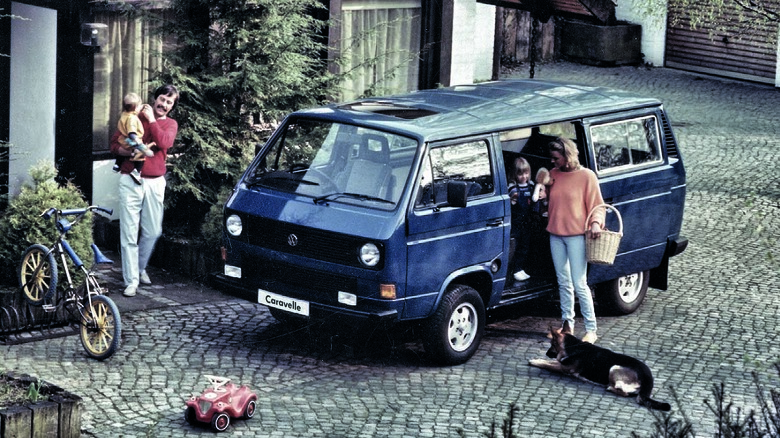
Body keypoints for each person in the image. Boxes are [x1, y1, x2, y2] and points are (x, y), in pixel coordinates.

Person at [110, 84, 179, 297]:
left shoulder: (170, 124)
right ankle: (131, 280)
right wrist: (127, 151)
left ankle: (139, 269)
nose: (164, 104)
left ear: (172, 106)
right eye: (162, 99)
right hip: (130, 179)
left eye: (169, 102)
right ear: (155, 98)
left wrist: (151, 120)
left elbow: (164, 142)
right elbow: (114, 144)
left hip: (155, 182)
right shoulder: (134, 116)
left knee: (153, 231)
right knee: (129, 232)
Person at [546, 137, 605, 344]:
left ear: (567, 156)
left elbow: (598, 205)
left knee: (580, 283)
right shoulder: (553, 175)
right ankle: (567, 324)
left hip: (576, 236)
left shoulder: (586, 176)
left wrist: (596, 223)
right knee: (563, 281)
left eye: (556, 158)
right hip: (555, 234)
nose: (553, 161)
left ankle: (591, 329)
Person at [113, 92, 155, 184]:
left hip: (123, 139)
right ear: (136, 108)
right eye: (140, 105)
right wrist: (137, 142)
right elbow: (131, 132)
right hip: (131, 140)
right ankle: (137, 171)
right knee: (142, 154)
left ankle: (117, 164)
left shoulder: (124, 114)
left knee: (121, 154)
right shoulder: (132, 118)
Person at [508, 157, 534, 282]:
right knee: (515, 246)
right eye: (520, 174)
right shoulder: (513, 188)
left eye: (526, 173)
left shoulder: (532, 186)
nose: (524, 176)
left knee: (525, 246)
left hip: (527, 221)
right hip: (516, 222)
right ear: (514, 174)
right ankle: (515, 269)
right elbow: (512, 201)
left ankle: (520, 268)